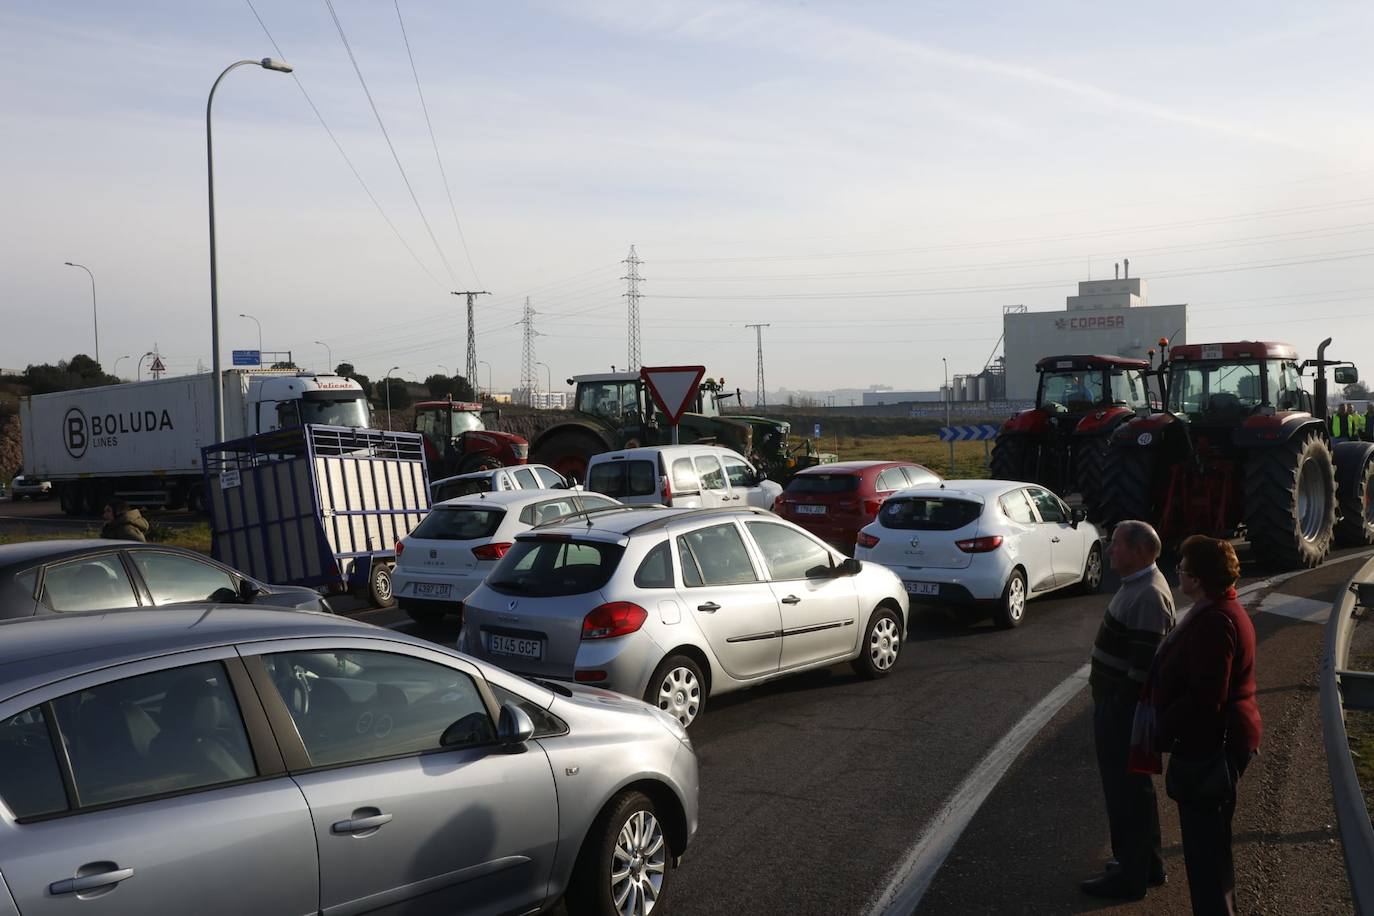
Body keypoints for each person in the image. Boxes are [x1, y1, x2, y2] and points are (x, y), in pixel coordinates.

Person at [1149, 535, 1261, 916]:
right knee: (1209, 848)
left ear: (1197, 578)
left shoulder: (1215, 622)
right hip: (1217, 739)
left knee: (1206, 851)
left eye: (1181, 568)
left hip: (1211, 746)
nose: (1177, 573)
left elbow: (1205, 697)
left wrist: (1162, 726)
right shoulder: (1217, 610)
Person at [1081, 520, 1176, 901]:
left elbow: (1142, 666)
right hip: (1118, 708)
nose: (1109, 550)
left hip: (1123, 713)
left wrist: (1117, 706)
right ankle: (1146, 864)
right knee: (1132, 790)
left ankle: (1130, 876)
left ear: (1138, 552)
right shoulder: (1136, 587)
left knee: (1126, 794)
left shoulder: (1149, 596)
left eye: (1116, 545)